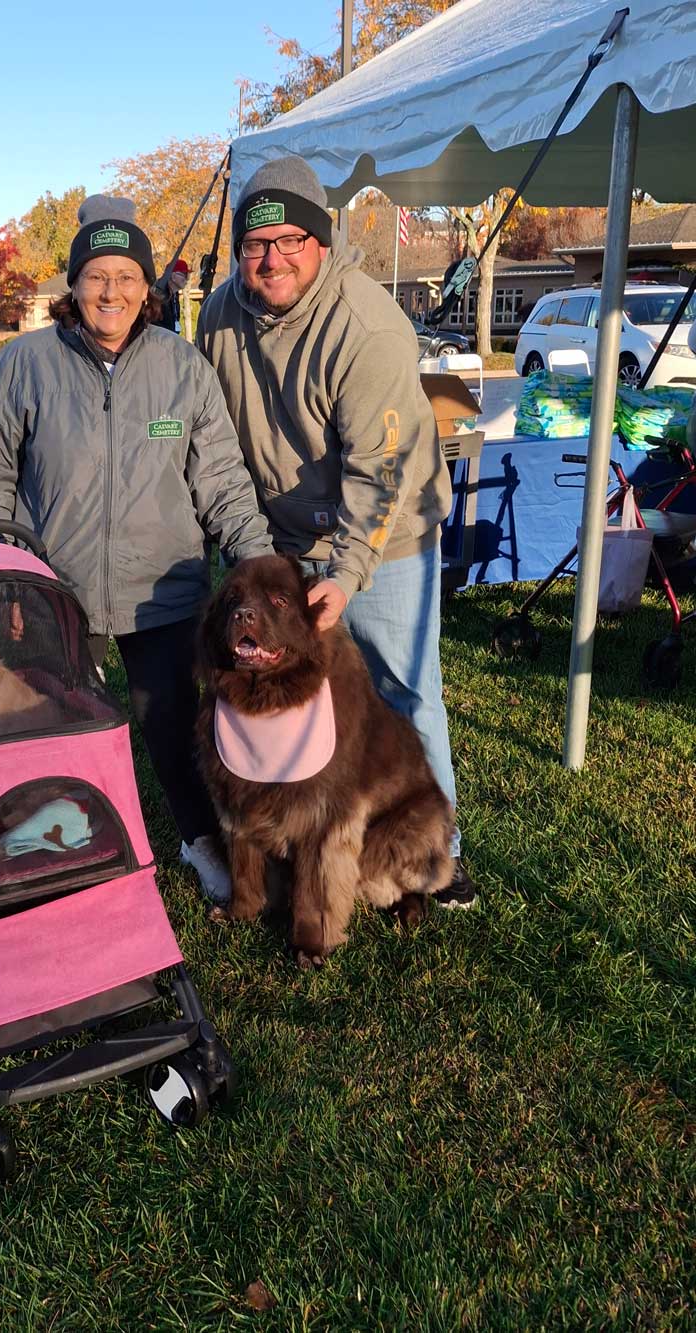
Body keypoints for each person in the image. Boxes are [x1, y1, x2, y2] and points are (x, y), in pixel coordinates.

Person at [0, 195, 272, 903]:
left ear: (148, 286)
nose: (112, 291)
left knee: (169, 724)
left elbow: (221, 479)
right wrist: (9, 581)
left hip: (163, 589)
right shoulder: (23, 365)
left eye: (127, 275)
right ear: (72, 284)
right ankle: (53, 851)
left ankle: (199, 839)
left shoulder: (181, 368)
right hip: (57, 593)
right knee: (55, 731)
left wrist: (255, 568)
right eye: (97, 275)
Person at [197, 155, 477, 908]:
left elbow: (380, 472)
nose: (273, 258)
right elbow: (214, 435)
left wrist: (347, 574)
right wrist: (256, 557)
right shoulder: (218, 316)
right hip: (281, 539)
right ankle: (296, 827)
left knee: (401, 688)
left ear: (322, 243)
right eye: (256, 245)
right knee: (284, 691)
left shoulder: (366, 325)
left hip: (387, 534)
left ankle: (440, 856)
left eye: (291, 240)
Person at [154, 259, 190, 333]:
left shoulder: (174, 295)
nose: (187, 280)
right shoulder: (158, 293)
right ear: (173, 276)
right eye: (185, 275)